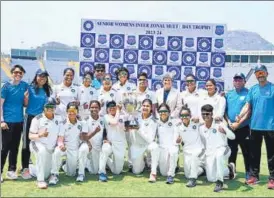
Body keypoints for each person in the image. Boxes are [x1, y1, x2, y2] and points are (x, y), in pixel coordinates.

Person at [236, 65, 274, 189]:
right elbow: (248, 105)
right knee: (254, 153)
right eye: (257, 73)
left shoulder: (273, 88)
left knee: (272, 154)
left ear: (267, 73)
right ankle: (254, 176)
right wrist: (240, 115)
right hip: (255, 127)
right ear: (255, 76)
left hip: (271, 127)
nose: (260, 75)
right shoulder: (253, 89)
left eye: (262, 72)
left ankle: (272, 179)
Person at [21, 68, 52, 180]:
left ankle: (42, 167)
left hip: (41, 120)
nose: (42, 78)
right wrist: (25, 99)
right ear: (36, 76)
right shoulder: (29, 88)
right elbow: (24, 104)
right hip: (29, 117)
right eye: (40, 76)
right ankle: (25, 168)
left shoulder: (47, 90)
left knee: (40, 142)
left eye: (44, 77)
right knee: (26, 143)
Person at [48, 102, 88, 184]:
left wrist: (84, 139)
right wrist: (61, 145)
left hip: (75, 149)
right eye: (70, 110)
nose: (72, 112)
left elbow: (84, 137)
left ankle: (72, 169)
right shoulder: (62, 123)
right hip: (65, 148)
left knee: (71, 174)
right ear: (67, 111)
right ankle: (54, 175)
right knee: (57, 151)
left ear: (77, 111)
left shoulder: (82, 123)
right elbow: (60, 139)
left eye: (74, 110)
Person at [1, 65, 28, 182]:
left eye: (20, 73)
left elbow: (26, 101)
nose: (18, 74)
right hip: (7, 122)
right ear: (11, 73)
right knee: (4, 148)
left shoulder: (24, 86)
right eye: (16, 72)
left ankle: (11, 170)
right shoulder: (5, 86)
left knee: (15, 148)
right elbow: (0, 105)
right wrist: (2, 120)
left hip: (19, 121)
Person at [199, 104, 236, 192]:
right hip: (211, 153)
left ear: (212, 114)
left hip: (224, 149)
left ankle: (220, 182)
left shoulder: (220, 124)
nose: (205, 116)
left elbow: (233, 137)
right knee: (211, 178)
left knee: (219, 155)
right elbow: (203, 144)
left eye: (207, 114)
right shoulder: (201, 128)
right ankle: (229, 169)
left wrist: (225, 132)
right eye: (203, 114)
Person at [28, 98, 60, 189]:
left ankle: (31, 167)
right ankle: (40, 180)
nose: (50, 108)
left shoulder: (59, 118)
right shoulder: (37, 119)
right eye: (48, 106)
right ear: (44, 107)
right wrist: (40, 135)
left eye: (52, 106)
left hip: (50, 148)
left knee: (46, 174)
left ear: (55, 107)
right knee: (41, 152)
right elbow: (30, 136)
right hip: (37, 144)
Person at [225, 73, 250, 181]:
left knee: (247, 152)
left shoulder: (248, 93)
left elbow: (249, 111)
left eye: (240, 80)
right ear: (233, 82)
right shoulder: (229, 94)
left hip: (244, 128)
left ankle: (249, 174)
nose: (238, 82)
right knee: (231, 151)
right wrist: (229, 122)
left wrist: (238, 123)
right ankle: (231, 172)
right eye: (236, 80)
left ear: (244, 81)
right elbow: (225, 111)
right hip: (231, 128)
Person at [128, 99, 159, 182]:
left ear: (151, 108)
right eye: (144, 105)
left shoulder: (154, 120)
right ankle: (144, 160)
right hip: (137, 146)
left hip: (148, 145)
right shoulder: (135, 117)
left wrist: (138, 129)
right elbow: (131, 132)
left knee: (155, 147)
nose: (145, 107)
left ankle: (153, 173)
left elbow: (150, 139)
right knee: (136, 172)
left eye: (147, 106)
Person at [112, 67, 137, 171]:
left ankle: (131, 163)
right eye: (120, 74)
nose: (122, 76)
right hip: (118, 118)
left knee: (131, 141)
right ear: (118, 76)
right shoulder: (114, 86)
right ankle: (120, 163)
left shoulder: (132, 86)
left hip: (131, 117)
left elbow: (135, 103)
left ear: (127, 76)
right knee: (120, 141)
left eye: (125, 74)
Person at [175, 105, 205, 188]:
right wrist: (178, 140)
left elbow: (205, 122)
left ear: (190, 116)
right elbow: (177, 140)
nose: (184, 117)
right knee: (187, 174)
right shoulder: (178, 127)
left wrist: (199, 119)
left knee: (194, 157)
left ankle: (193, 180)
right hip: (187, 151)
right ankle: (202, 170)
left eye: (186, 115)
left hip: (198, 149)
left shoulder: (196, 123)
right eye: (182, 116)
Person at [98, 101, 127, 182]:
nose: (112, 109)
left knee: (117, 171)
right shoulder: (106, 117)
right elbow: (114, 122)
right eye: (110, 108)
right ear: (107, 109)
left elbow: (127, 127)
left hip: (120, 144)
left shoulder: (122, 116)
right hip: (110, 143)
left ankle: (106, 160)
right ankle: (102, 172)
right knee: (105, 149)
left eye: (114, 107)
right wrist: (118, 110)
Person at [156, 103, 179, 184]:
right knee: (163, 173)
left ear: (169, 112)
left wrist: (175, 144)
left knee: (174, 151)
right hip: (161, 148)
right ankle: (172, 166)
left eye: (165, 111)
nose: (163, 113)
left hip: (172, 147)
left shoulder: (174, 122)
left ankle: (171, 175)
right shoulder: (156, 122)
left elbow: (176, 136)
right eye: (161, 111)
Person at [80, 100, 104, 175]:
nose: (94, 109)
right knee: (94, 172)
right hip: (90, 147)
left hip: (100, 147)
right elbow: (83, 137)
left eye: (96, 107)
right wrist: (95, 132)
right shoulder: (85, 121)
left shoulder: (103, 119)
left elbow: (106, 133)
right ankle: (82, 163)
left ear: (100, 109)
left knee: (96, 170)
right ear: (89, 108)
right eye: (92, 107)